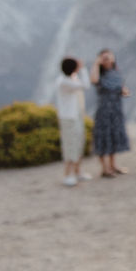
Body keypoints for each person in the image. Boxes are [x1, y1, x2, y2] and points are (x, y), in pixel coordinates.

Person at [90, 49, 131, 178]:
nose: (107, 60)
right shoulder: (99, 74)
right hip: (104, 111)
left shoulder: (116, 73)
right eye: (104, 58)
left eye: (109, 57)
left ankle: (113, 165)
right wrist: (96, 63)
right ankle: (105, 168)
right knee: (103, 138)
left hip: (116, 110)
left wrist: (125, 92)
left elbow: (122, 88)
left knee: (114, 137)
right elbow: (94, 80)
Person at [55, 57, 91, 187]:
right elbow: (86, 85)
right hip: (68, 118)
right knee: (70, 145)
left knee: (79, 143)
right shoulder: (64, 82)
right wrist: (83, 69)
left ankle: (77, 171)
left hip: (76, 116)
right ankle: (67, 174)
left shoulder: (68, 79)